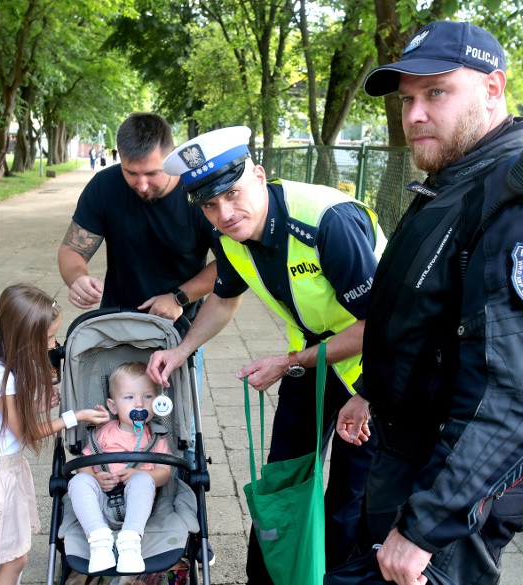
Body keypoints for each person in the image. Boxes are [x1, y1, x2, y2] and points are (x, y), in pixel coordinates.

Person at [339, 20, 523, 585]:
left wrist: (427, 525)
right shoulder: (454, 183)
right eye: (407, 98)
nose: (414, 115)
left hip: (449, 490)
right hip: (402, 458)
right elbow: (420, 321)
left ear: (493, 88)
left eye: (436, 92)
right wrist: (368, 394)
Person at [147, 125, 386, 582]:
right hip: (312, 359)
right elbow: (223, 297)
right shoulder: (227, 232)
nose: (225, 213)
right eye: (210, 204)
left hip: (375, 370)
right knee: (284, 480)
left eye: (233, 194)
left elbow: (378, 325)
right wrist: (181, 350)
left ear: (259, 175)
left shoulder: (327, 222)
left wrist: (289, 363)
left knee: (352, 499)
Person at [57, 112, 216, 463]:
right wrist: (77, 277)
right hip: (113, 331)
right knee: (112, 426)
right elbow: (72, 249)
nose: (142, 185)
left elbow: (231, 266)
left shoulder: (200, 192)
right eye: (132, 173)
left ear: (171, 160)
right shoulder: (105, 186)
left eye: (152, 174)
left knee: (178, 427)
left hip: (179, 332)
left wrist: (180, 296)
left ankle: (178, 496)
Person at [0, 284, 109, 585]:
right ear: (23, 337)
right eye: (47, 338)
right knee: (15, 559)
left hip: (3, 470)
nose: (52, 344)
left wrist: (39, 403)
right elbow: (27, 434)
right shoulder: (0, 375)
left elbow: (5, 416)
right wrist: (73, 417)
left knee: (17, 556)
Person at [68, 361, 172, 574]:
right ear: (113, 406)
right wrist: (95, 479)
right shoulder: (103, 432)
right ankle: (98, 541)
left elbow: (165, 473)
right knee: (78, 480)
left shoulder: (157, 437)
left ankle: (130, 544)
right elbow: (84, 462)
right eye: (129, 397)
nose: (140, 404)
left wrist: (142, 474)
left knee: (144, 480)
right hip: (99, 503)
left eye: (148, 396)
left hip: (138, 508)